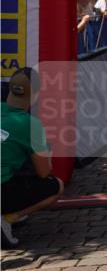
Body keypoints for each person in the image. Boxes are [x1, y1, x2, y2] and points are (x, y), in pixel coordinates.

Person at [1, 68, 64, 247]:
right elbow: (44, 172)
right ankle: (7, 218)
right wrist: (48, 153)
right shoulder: (31, 125)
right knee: (55, 186)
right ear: (35, 95)